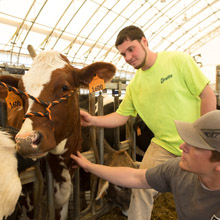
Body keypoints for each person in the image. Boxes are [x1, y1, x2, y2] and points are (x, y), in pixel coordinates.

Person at [80, 25, 217, 219]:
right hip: (162, 145)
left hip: (196, 145)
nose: (128, 57)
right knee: (140, 188)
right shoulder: (135, 84)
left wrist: (204, 141)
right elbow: (121, 116)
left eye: (131, 49)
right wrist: (92, 119)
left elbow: (207, 95)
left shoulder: (177, 60)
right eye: (122, 54)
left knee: (207, 192)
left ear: (144, 42)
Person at [71, 110, 220, 220]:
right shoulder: (177, 170)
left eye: (196, 146)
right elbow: (136, 177)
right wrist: (90, 166)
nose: (182, 146)